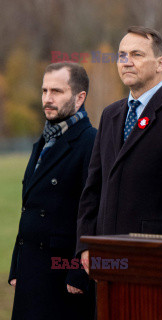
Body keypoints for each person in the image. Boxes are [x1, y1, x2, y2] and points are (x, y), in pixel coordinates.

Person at [77, 26, 162, 271]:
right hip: (105, 257)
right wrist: (85, 244)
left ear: (160, 63)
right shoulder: (110, 115)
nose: (126, 62)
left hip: (151, 261)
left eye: (136, 55)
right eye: (122, 55)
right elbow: (93, 187)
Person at [8, 62, 96, 320]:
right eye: (44, 91)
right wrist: (17, 265)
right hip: (31, 270)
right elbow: (29, 207)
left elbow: (93, 209)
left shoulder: (91, 142)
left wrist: (80, 273)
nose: (47, 99)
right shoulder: (43, 142)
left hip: (63, 279)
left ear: (80, 98)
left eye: (57, 91)